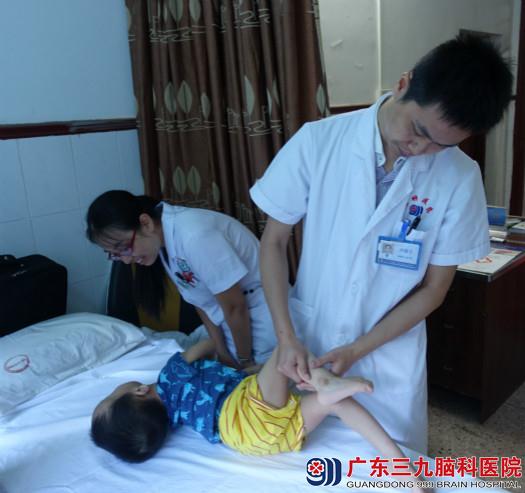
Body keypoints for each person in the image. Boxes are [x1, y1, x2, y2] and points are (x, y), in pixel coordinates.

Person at [249, 33, 513, 453]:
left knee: (385, 466)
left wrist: (358, 349)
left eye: (441, 144)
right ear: (403, 84)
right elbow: (274, 243)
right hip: (309, 341)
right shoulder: (319, 141)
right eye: (418, 130)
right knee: (300, 455)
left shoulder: (460, 176)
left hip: (388, 358)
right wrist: (286, 337)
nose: (420, 148)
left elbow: (434, 289)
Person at [91, 339, 428, 493]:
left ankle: (406, 476)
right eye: (110, 395)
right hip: (239, 410)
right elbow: (207, 344)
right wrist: (224, 357)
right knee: (286, 350)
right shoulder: (168, 376)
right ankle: (323, 380)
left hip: (248, 441)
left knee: (334, 403)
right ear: (139, 391)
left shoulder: (176, 419)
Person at [87, 190, 288, 369]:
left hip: (263, 318)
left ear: (145, 223)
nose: (126, 260)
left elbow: (236, 307)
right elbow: (200, 301)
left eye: (123, 248)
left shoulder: (195, 236)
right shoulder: (164, 242)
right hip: (234, 324)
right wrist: (222, 351)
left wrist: (244, 361)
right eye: (115, 254)